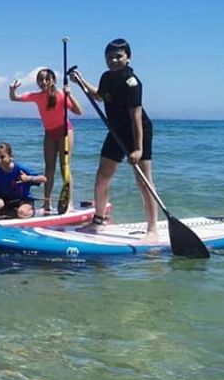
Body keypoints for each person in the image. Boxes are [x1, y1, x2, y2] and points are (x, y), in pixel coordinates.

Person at [70, 38, 158, 242]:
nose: (114, 60)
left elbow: (136, 116)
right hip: (116, 130)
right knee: (102, 176)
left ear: (128, 58)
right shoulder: (106, 77)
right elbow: (100, 96)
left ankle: (152, 229)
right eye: (109, 57)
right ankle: (98, 220)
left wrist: (138, 148)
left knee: (143, 181)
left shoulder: (132, 82)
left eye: (119, 56)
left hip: (139, 131)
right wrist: (80, 81)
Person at [9, 68, 82, 211]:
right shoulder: (37, 96)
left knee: (65, 167)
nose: (44, 82)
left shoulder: (61, 95)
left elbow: (79, 112)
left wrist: (69, 95)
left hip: (65, 131)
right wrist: (12, 90)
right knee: (49, 168)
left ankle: (69, 203)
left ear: (53, 80)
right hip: (49, 133)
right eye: (40, 79)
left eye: (47, 79)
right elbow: (14, 98)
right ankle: (47, 204)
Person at [0, 143, 46, 219]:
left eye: (2, 157)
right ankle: (10, 213)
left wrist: (28, 178)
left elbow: (44, 179)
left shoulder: (20, 168)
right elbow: (0, 194)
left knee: (22, 212)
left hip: (24, 200)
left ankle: (29, 212)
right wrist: (0, 200)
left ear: (11, 157)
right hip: (7, 201)